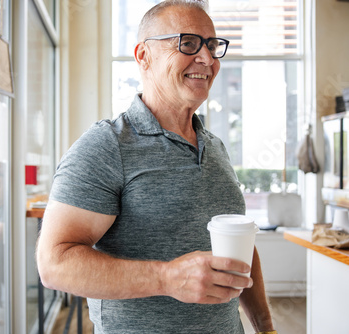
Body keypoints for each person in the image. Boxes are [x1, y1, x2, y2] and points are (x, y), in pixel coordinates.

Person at [37, 1, 276, 333]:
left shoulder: (216, 147)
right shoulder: (106, 146)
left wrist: (266, 327)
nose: (207, 59)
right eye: (188, 43)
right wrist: (166, 278)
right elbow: (54, 264)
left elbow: (242, 246)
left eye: (212, 45)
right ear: (143, 55)